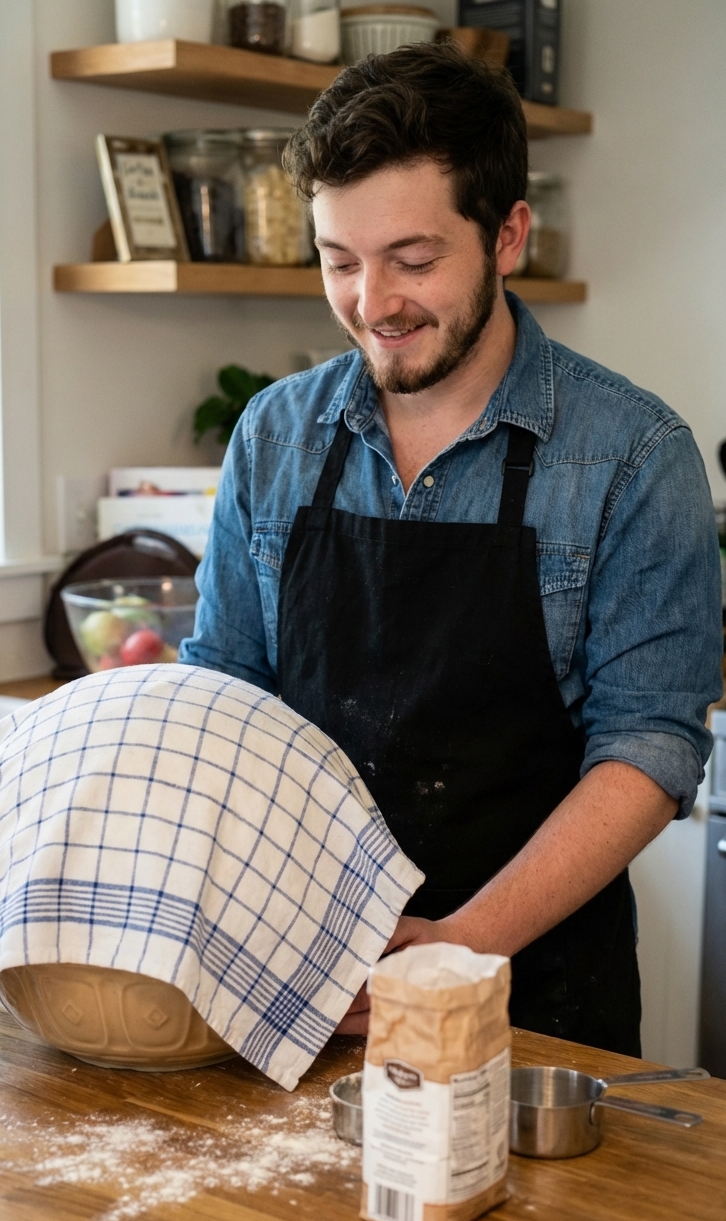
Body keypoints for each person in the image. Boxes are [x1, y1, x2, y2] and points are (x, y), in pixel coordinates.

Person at [180, 43, 723, 1055]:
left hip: (537, 1000)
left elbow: (648, 749)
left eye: (414, 261)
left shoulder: (634, 455)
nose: (374, 304)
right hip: (308, 987)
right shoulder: (274, 435)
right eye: (340, 262)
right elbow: (222, 697)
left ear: (508, 235)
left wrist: (453, 951)